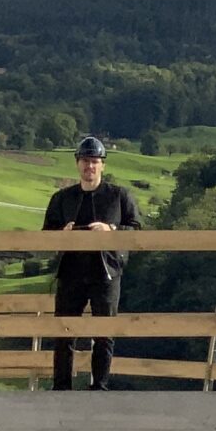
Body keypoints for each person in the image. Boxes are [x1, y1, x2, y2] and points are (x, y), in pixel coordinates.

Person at [40, 136, 141, 390]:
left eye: (95, 161)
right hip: (70, 272)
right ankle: (61, 387)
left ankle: (99, 387)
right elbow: (46, 234)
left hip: (106, 272)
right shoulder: (62, 198)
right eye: (85, 161)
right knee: (63, 331)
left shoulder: (119, 196)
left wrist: (111, 229)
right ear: (77, 163)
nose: (90, 166)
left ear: (103, 165)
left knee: (104, 332)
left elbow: (136, 230)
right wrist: (62, 233)